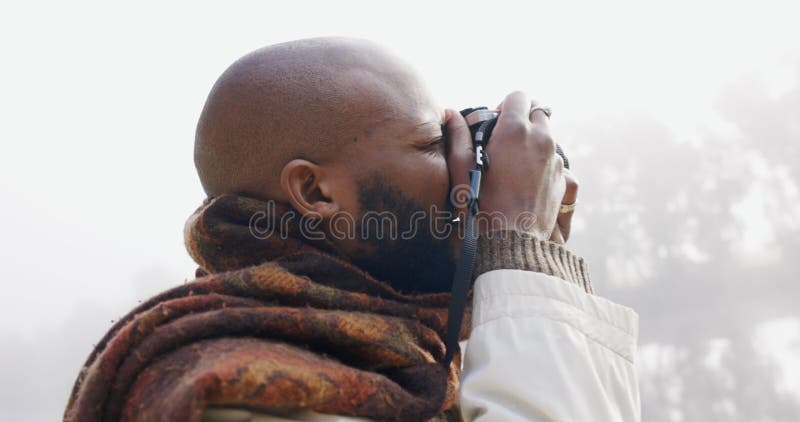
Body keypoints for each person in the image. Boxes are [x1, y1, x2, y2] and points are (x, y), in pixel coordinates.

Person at [64, 37, 640, 421]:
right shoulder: (231, 388)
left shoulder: (409, 362)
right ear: (315, 193)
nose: (467, 164)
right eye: (435, 144)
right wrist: (522, 252)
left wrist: (528, 279)